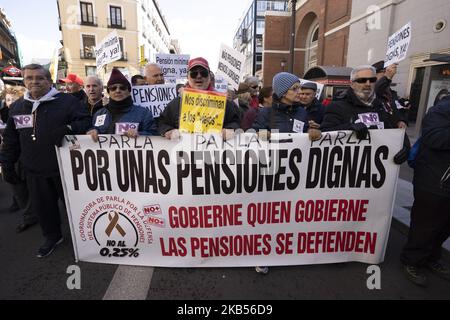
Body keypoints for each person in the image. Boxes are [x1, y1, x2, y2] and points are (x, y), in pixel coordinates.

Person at [0, 64, 91, 258]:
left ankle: (85, 238)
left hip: (66, 169)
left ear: (49, 81)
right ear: (24, 81)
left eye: (39, 78)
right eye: (29, 78)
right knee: (44, 208)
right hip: (34, 169)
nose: (34, 82)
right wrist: (7, 164)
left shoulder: (67, 101)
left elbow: (85, 122)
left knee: (75, 207)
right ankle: (52, 237)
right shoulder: (17, 107)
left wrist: (67, 127)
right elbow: (11, 139)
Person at [401, 94, 450, 287]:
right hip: (432, 181)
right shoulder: (441, 110)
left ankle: (432, 258)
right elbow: (434, 137)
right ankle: (412, 261)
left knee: (444, 226)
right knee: (425, 225)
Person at [321, 65, 410, 162]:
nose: (368, 84)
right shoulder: (337, 106)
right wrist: (349, 127)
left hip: (378, 169)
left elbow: (396, 129)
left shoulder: (384, 105)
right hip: (349, 165)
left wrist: (404, 147)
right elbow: (324, 134)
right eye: (362, 80)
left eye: (372, 80)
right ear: (352, 84)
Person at [158, 57, 240, 140]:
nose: (199, 76)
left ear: (209, 76)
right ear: (188, 77)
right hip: (184, 150)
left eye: (203, 73)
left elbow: (236, 122)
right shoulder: (176, 103)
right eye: (194, 73)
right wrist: (168, 131)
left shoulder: (224, 102)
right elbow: (162, 123)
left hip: (214, 149)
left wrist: (230, 129)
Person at [88, 68, 156, 141]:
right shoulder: (99, 114)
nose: (118, 91)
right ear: (108, 92)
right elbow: (93, 130)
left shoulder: (143, 113)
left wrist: (139, 134)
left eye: (122, 88)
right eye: (113, 88)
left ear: (129, 90)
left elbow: (155, 135)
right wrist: (93, 131)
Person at [253, 72, 321, 138]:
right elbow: (253, 135)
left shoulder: (302, 112)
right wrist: (260, 134)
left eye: (300, 88)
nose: (300, 92)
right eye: (295, 89)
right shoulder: (265, 113)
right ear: (283, 93)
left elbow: (305, 132)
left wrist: (312, 131)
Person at [372, 61, 408, 128]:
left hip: (395, 134)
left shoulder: (392, 94)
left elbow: (398, 112)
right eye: (385, 71)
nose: (388, 73)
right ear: (374, 75)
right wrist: (387, 77)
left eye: (389, 71)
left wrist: (401, 120)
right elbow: (376, 90)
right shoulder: (370, 92)